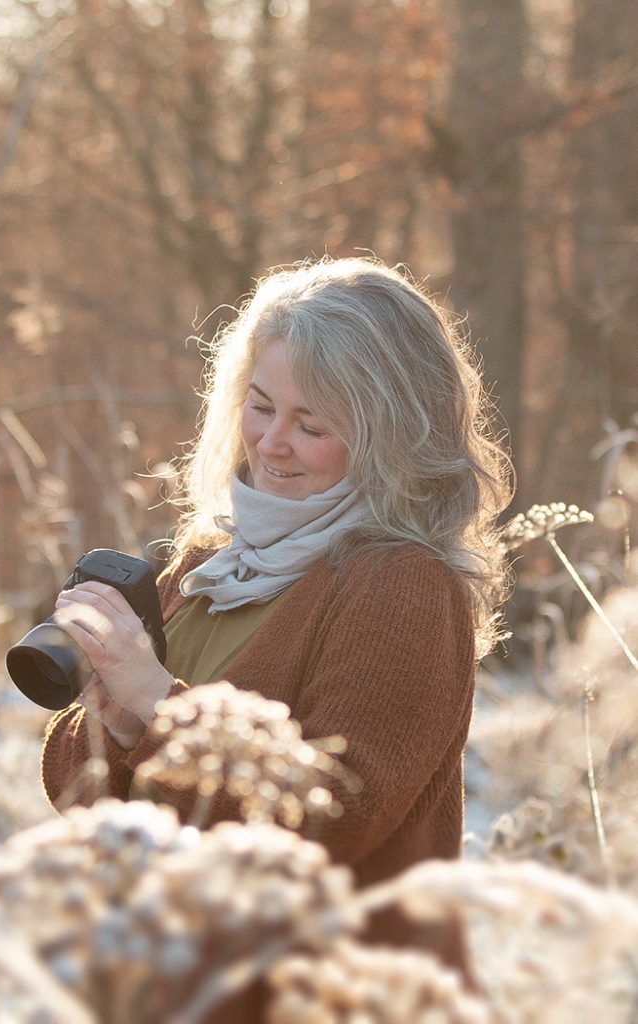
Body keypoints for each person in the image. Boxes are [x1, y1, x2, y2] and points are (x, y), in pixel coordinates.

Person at [40, 256, 512, 994]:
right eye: (260, 406)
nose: (271, 443)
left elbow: (334, 819)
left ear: (390, 434)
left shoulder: (402, 585)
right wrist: (119, 726)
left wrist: (160, 703)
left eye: (312, 423)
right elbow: (79, 800)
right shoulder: (209, 562)